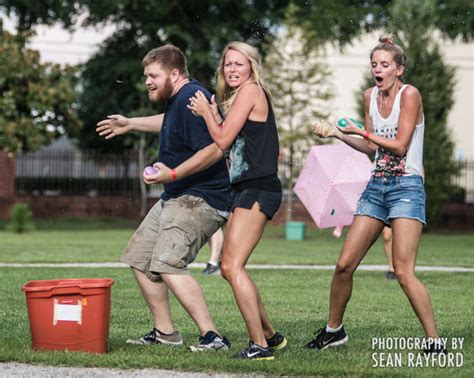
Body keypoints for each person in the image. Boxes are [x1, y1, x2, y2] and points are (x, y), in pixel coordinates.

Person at [308, 36, 445, 353]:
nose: (377, 69)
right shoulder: (370, 96)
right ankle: (334, 331)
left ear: (399, 69)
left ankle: (434, 342)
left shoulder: (409, 95)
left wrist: (360, 130)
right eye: (374, 64)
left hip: (407, 188)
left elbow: (399, 145)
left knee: (403, 271)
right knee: (344, 264)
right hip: (376, 187)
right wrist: (339, 134)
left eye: (384, 64)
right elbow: (372, 149)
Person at [96, 44, 234, 352]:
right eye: (146, 75)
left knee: (167, 262)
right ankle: (165, 332)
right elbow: (167, 121)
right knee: (139, 258)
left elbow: (215, 150)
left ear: (174, 73)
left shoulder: (193, 98)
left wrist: (172, 174)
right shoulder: (178, 100)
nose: (147, 81)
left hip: (201, 198)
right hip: (176, 196)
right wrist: (130, 123)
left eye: (152, 75)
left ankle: (213, 337)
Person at [188, 41, 287, 360]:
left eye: (239, 64)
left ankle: (259, 346)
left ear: (251, 67)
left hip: (258, 188)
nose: (232, 69)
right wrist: (214, 113)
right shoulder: (242, 98)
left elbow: (222, 139)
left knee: (231, 266)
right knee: (232, 268)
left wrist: (206, 113)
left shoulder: (250, 91)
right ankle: (270, 337)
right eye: (227, 64)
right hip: (248, 187)